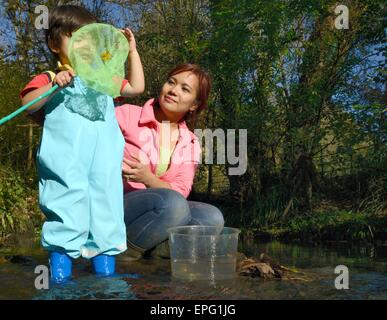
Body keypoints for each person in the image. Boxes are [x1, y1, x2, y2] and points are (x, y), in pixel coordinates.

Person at [19, 5, 145, 282]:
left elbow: (136, 88)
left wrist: (132, 52)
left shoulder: (104, 80)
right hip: (66, 161)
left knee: (107, 207)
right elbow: (28, 103)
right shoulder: (51, 78)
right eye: (75, 36)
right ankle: (60, 279)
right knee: (66, 204)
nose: (84, 43)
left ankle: (107, 278)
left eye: (89, 37)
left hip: (104, 163)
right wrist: (55, 86)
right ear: (55, 43)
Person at [115, 63, 224, 259]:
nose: (173, 90)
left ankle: (158, 255)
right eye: (171, 82)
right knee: (173, 204)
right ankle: (126, 256)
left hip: (166, 209)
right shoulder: (127, 114)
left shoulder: (190, 142)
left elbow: (181, 190)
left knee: (212, 217)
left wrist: (147, 178)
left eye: (185, 89)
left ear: (194, 104)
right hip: (118, 205)